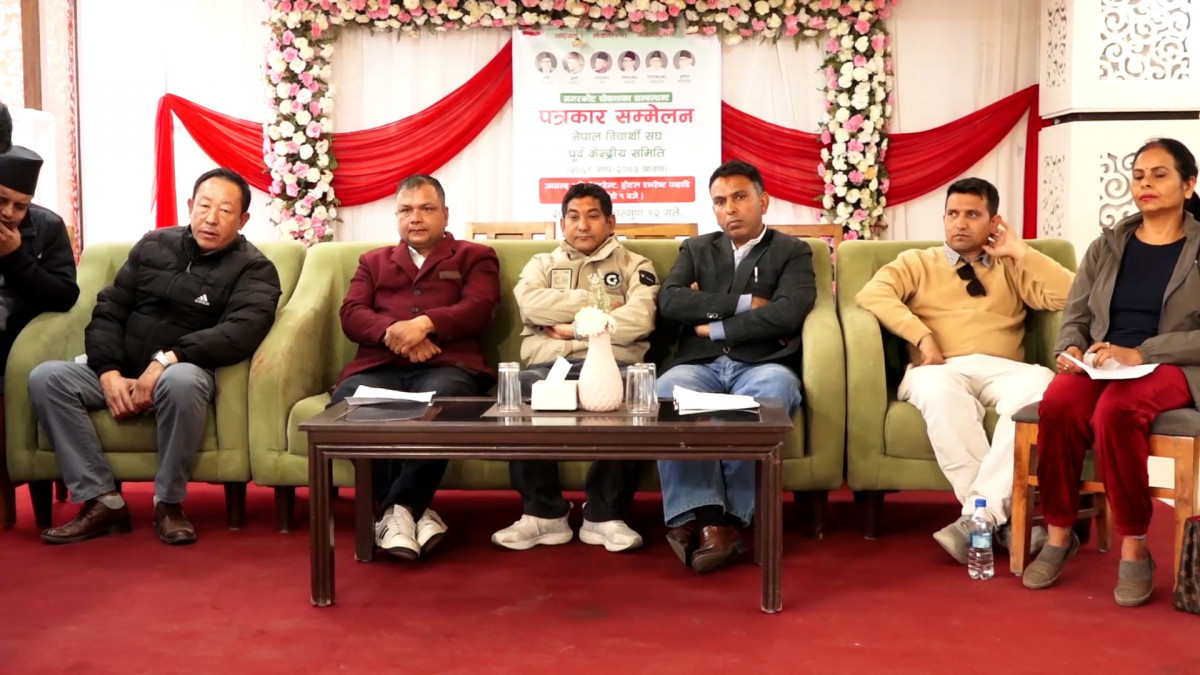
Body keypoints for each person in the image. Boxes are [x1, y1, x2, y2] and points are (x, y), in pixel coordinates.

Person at [30, 168, 282, 546]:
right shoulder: (153, 245)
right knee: (47, 378)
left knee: (182, 381)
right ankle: (102, 499)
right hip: (122, 368)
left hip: (183, 372)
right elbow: (110, 309)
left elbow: (242, 331)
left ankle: (169, 503)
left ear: (243, 220)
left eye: (225, 211)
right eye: (204, 206)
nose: (211, 218)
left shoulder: (254, 268)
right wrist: (108, 372)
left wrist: (166, 360)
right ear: (190, 206)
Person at [855, 177, 1075, 564]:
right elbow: (871, 294)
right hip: (939, 369)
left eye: (972, 215)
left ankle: (980, 518)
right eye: (952, 214)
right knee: (941, 394)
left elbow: (1074, 295)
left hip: (1004, 369)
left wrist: (1020, 251)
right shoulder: (917, 262)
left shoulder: (1012, 265)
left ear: (994, 222)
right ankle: (999, 518)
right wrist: (922, 336)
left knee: (1043, 385)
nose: (959, 223)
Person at [1024, 138, 1200, 607]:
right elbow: (1077, 313)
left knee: (1116, 413)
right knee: (1058, 403)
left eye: (1159, 175)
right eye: (1138, 176)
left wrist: (1142, 352)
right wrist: (1070, 347)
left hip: (1174, 364)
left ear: (1188, 184)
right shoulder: (1108, 245)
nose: (1145, 184)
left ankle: (1135, 545)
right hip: (1102, 361)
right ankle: (1059, 533)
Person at [654, 160, 815, 574]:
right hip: (699, 363)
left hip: (762, 363)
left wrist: (714, 326)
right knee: (668, 394)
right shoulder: (695, 249)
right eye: (720, 201)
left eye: (740, 197)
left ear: (763, 201)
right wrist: (746, 304)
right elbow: (670, 301)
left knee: (773, 394)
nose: (730, 208)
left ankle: (720, 520)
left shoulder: (792, 250)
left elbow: (789, 312)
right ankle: (711, 519)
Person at [330, 174, 500, 562]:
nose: (416, 218)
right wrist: (394, 331)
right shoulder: (373, 261)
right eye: (406, 210)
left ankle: (397, 510)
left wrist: (424, 324)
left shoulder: (475, 256)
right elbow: (351, 313)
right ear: (397, 216)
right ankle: (415, 514)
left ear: (445, 214)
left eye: (426, 208)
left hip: (447, 366)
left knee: (448, 403)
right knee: (346, 402)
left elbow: (479, 308)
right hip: (379, 365)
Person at [491, 182, 658, 553]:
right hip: (551, 365)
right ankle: (543, 513)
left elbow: (641, 318)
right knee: (517, 390)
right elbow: (531, 306)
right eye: (574, 216)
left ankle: (605, 515)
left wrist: (575, 327)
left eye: (593, 216)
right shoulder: (541, 264)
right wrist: (601, 304)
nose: (582, 225)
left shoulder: (635, 265)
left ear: (611, 222)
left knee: (635, 394)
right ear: (562, 223)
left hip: (614, 365)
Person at [0, 102, 80, 379]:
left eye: (20, 206)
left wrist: (15, 258)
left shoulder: (48, 226)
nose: (8, 213)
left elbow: (65, 296)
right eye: (1, 200)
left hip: (18, 341)